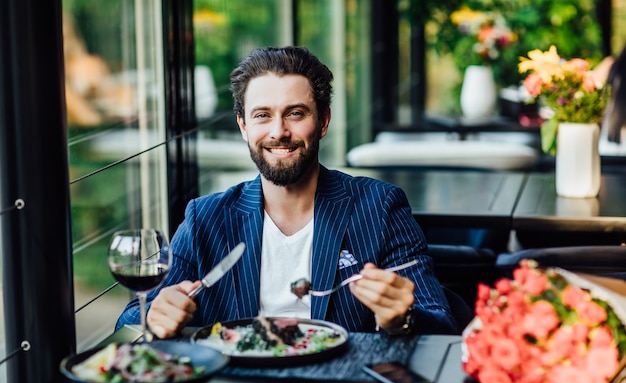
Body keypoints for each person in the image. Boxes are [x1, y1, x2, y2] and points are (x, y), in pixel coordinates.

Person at [115, 46, 457, 338]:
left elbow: (441, 324)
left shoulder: (380, 207)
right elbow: (130, 322)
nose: (279, 132)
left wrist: (402, 318)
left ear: (323, 121)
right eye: (262, 115)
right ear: (243, 126)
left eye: (295, 113)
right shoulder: (205, 219)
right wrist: (154, 316)